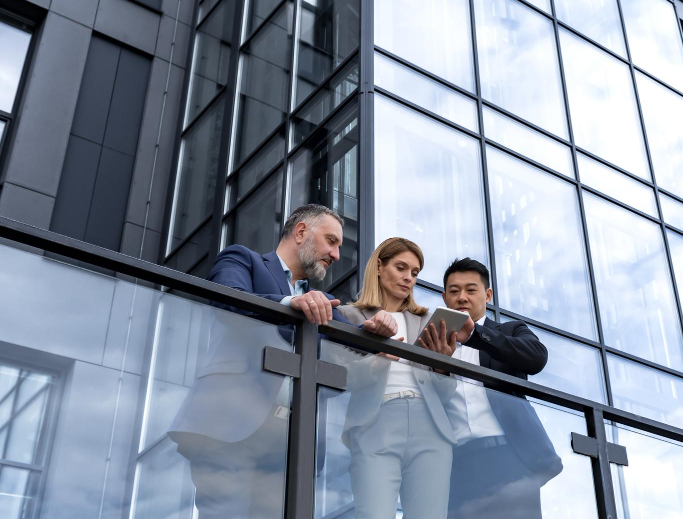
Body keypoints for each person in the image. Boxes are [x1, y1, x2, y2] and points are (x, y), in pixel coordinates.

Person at [168, 204, 397, 519]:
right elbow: (227, 298)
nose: (336, 254)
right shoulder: (242, 260)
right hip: (231, 427)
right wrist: (291, 303)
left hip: (289, 442)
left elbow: (350, 341)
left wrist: (376, 333)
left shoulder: (321, 305)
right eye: (331, 241)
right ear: (301, 231)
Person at [335, 237, 469, 519]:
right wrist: (380, 358)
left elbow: (446, 393)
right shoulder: (349, 316)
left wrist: (443, 365)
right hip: (375, 422)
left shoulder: (427, 320)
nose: (409, 277)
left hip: (430, 426)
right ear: (380, 267)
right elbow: (341, 376)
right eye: (401, 267)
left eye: (415, 273)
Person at [422, 257, 562, 519]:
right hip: (455, 466)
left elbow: (537, 357)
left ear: (487, 295)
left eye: (470, 290)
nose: (462, 297)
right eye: (454, 291)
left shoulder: (509, 330)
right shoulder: (432, 342)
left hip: (509, 458)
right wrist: (439, 364)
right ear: (444, 297)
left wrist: (476, 335)